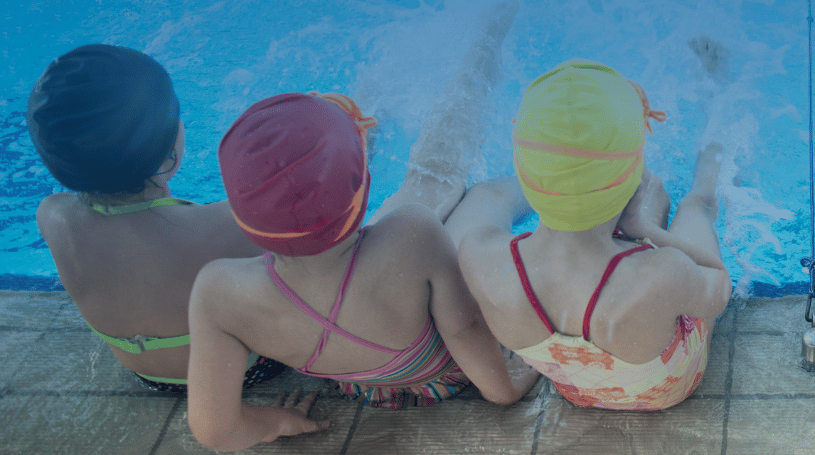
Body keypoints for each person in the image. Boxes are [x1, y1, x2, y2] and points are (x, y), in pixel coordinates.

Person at [186, 3, 539, 451]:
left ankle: (357, 106)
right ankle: (484, 43)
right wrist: (503, 390)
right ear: (365, 191)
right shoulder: (411, 233)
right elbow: (466, 330)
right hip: (436, 376)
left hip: (361, 383)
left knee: (334, 162)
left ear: (241, 216)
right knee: (439, 180)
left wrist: (279, 423)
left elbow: (216, 430)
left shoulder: (218, 292)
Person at [445, 49, 732, 411]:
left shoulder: (481, 254)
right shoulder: (664, 274)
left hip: (577, 388)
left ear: (525, 169)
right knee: (695, 207)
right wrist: (643, 228)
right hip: (664, 389)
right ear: (630, 177)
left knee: (649, 212)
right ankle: (713, 148)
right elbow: (719, 285)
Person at [28, 44, 285, 393]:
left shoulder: (53, 216)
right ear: (170, 148)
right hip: (242, 372)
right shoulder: (225, 225)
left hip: (147, 376)